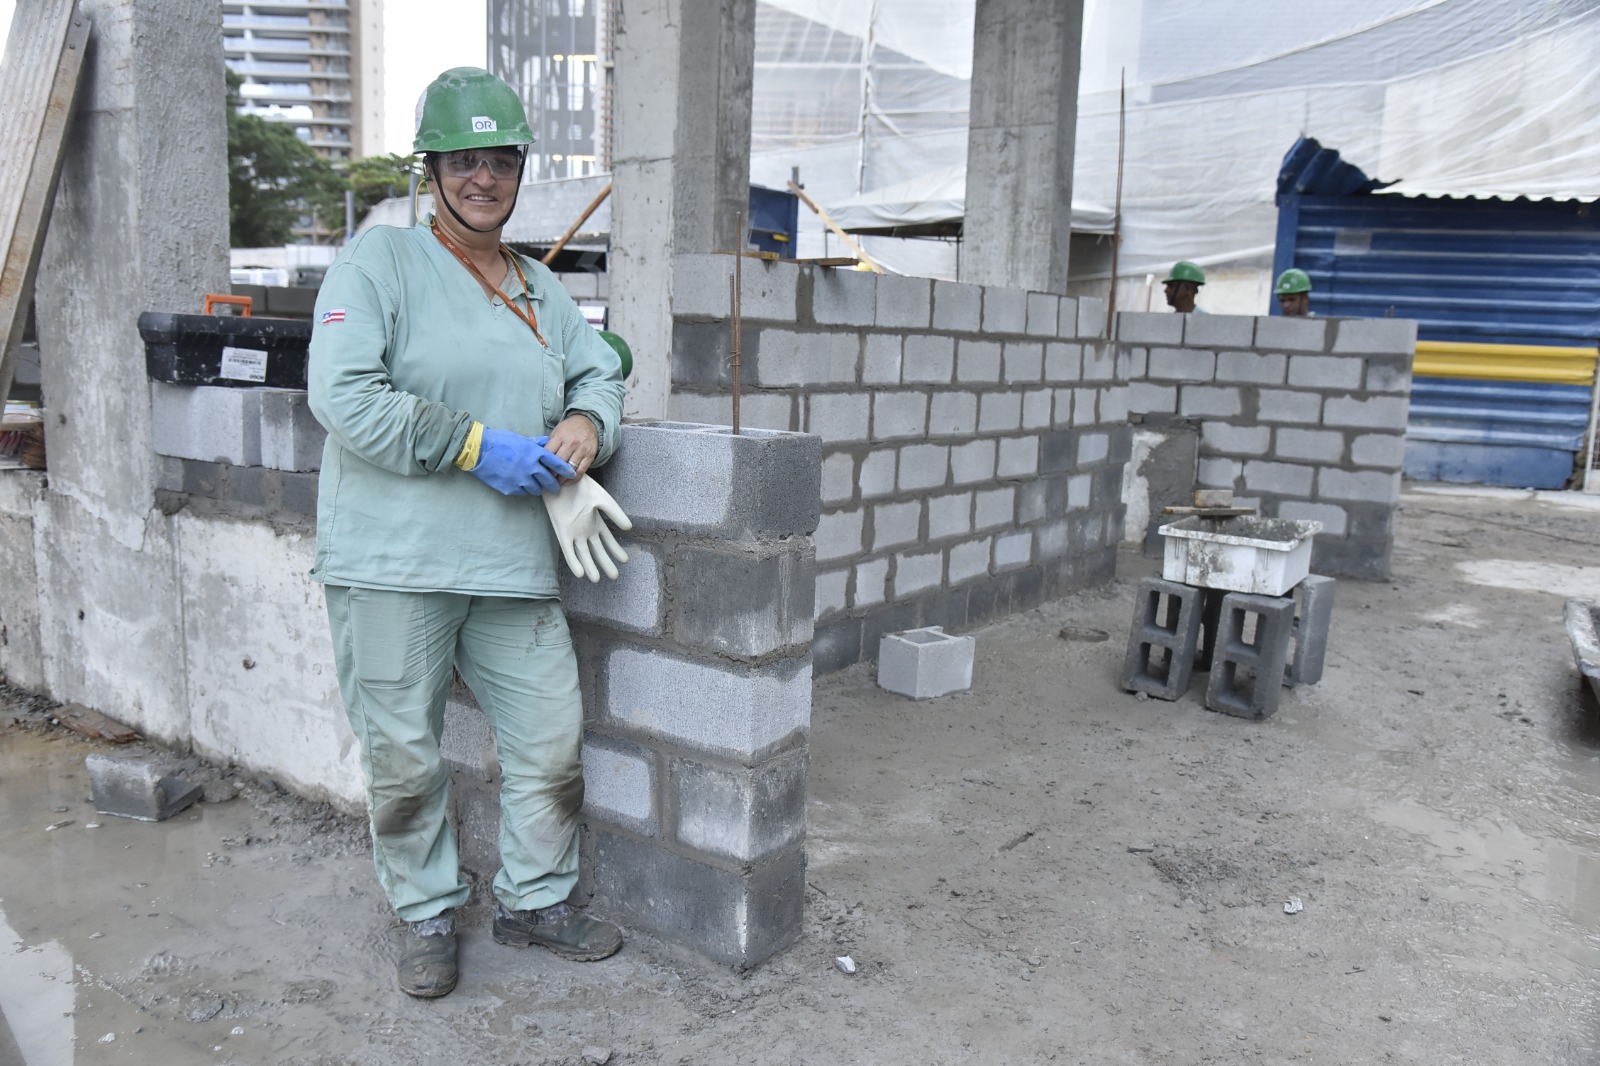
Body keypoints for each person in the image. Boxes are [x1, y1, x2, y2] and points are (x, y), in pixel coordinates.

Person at [306, 67, 628, 999]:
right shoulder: (379, 263)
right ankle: (426, 914)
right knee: (403, 755)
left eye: (502, 161)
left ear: (520, 169)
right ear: (432, 170)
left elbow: (601, 369)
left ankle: (536, 901)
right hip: (393, 559)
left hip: (511, 563)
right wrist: (472, 444)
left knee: (550, 742)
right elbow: (344, 396)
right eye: (464, 161)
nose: (484, 178)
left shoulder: (538, 286)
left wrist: (589, 422)